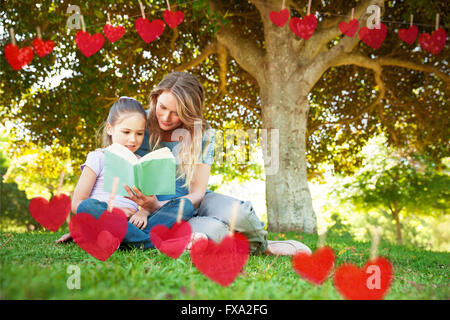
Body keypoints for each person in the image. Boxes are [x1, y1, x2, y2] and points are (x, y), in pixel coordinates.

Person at [123, 72, 311, 256]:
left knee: (240, 214)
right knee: (213, 230)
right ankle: (238, 244)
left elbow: (197, 193)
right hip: (164, 216)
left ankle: (265, 247)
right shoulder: (137, 124)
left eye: (176, 113)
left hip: (195, 202)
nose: (166, 117)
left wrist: (158, 204)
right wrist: (150, 208)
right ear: (155, 98)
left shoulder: (202, 133)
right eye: (162, 107)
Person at [56, 97, 197, 248]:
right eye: (126, 132)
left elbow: (148, 202)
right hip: (104, 220)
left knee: (186, 205)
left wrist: (142, 213)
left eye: (139, 133)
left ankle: (126, 241)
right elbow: (78, 204)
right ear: (110, 129)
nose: (133, 139)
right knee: (88, 206)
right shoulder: (97, 157)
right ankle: (147, 243)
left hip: (133, 224)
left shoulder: (142, 163)